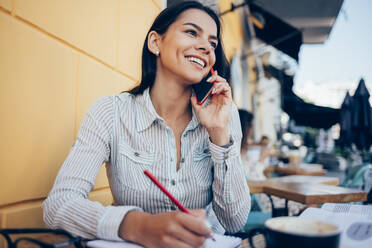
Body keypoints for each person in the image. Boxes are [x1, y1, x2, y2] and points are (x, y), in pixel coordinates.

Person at [43, 2, 250, 248]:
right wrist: (137, 225)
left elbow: (235, 221)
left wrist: (218, 134)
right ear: (155, 42)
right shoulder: (111, 112)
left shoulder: (224, 115)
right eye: (191, 32)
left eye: (213, 43)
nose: (206, 46)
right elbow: (57, 206)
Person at [238, 109, 270, 180]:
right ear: (244, 128)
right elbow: (250, 179)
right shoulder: (236, 152)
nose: (252, 130)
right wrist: (261, 159)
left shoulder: (242, 148)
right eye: (251, 126)